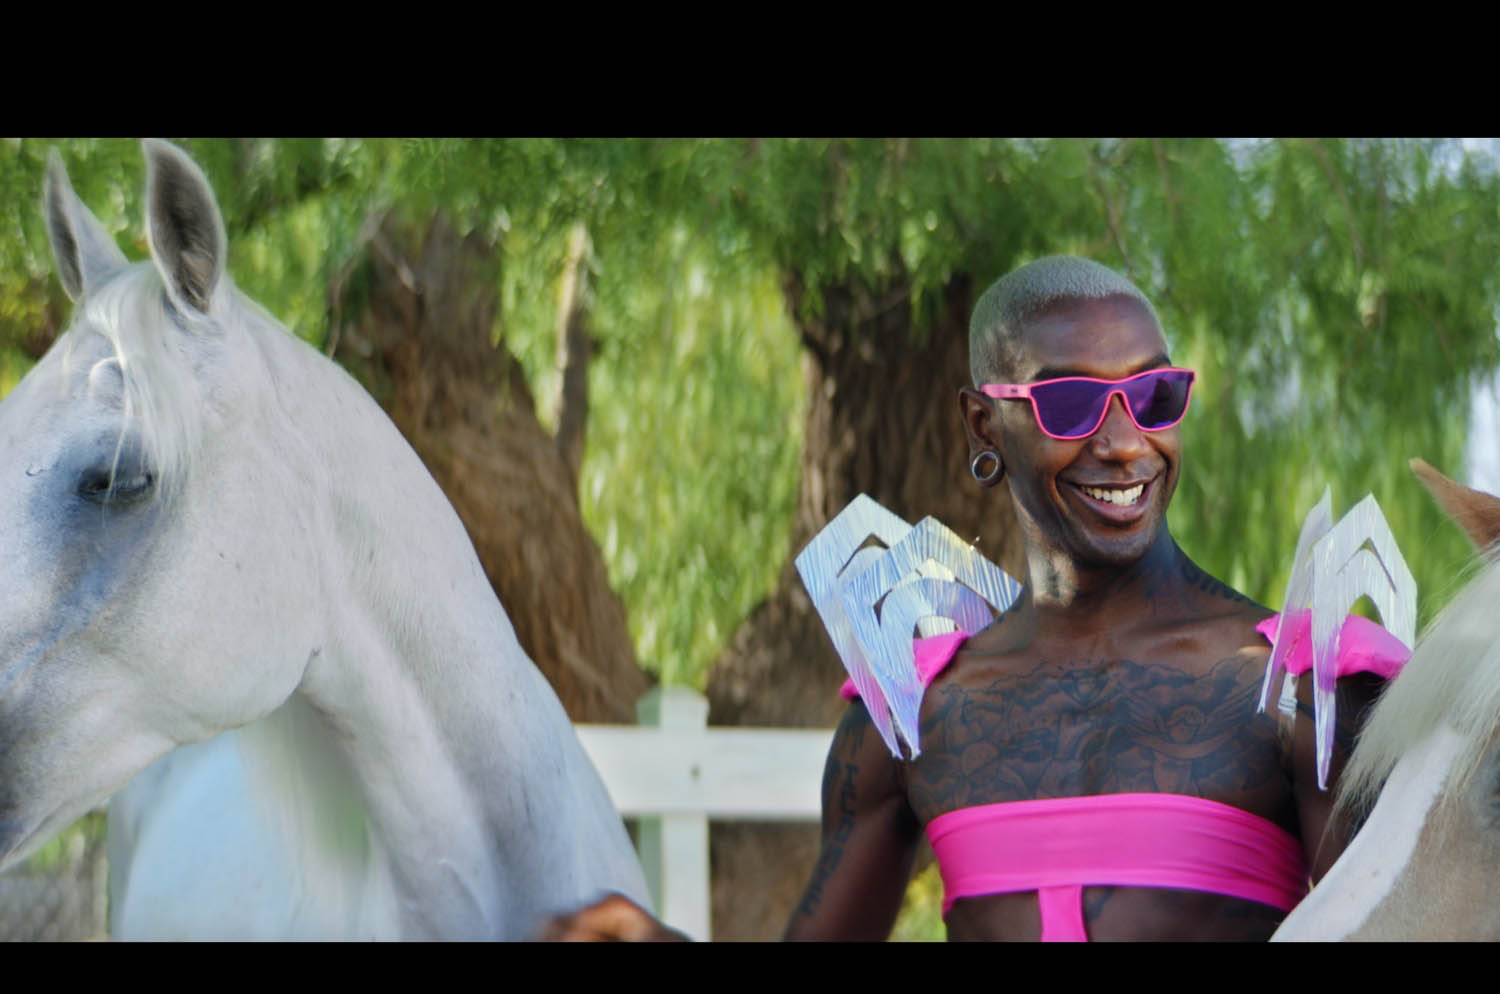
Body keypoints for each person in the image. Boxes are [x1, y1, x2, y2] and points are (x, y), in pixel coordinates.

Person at [541, 255, 1396, 943]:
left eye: (1153, 395)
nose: (1124, 442)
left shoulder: (1304, 689)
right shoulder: (912, 703)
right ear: (984, 424)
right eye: (1069, 403)